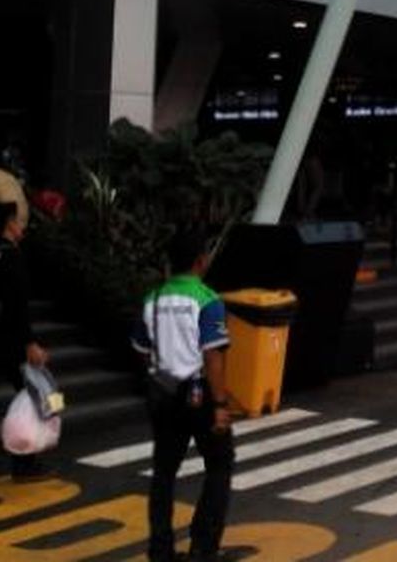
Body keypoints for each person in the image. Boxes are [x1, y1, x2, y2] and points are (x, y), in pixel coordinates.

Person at [132, 227, 233, 562]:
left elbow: (142, 350)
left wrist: (160, 373)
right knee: (219, 464)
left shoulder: (152, 298)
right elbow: (213, 357)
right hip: (199, 392)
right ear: (201, 262)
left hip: (163, 393)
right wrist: (220, 403)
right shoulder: (207, 299)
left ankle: (160, 549)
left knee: (164, 473)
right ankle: (203, 547)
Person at [0, 170, 52, 482]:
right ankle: (24, 462)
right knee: (35, 396)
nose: (23, 227)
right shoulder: (13, 258)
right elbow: (18, 306)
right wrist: (30, 343)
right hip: (12, 342)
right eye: (19, 221)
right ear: (9, 223)